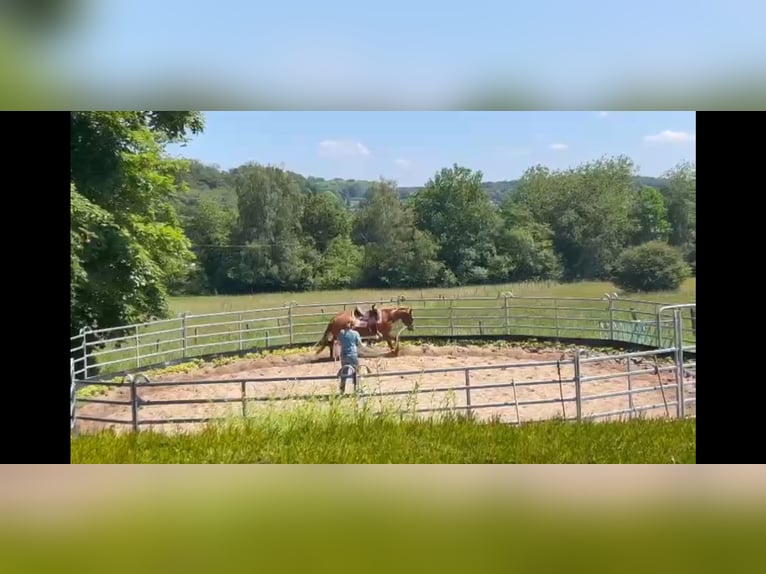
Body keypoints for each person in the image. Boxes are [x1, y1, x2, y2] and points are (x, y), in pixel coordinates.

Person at [338, 319, 363, 393]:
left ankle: (342, 390)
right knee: (356, 371)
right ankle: (356, 389)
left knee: (344, 372)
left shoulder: (341, 333)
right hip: (352, 354)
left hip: (344, 355)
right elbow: (359, 344)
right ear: (353, 326)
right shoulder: (355, 333)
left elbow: (339, 341)